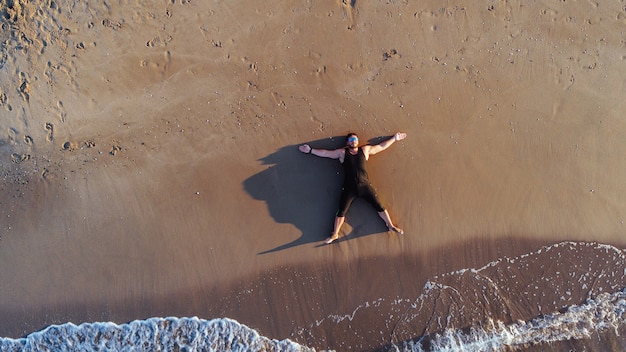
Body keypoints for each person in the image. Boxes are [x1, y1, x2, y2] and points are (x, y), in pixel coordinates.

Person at [299, 132, 407, 244]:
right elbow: (326, 153)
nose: (353, 141)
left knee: (379, 205)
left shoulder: (365, 150)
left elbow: (381, 146)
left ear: (357, 141)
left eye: (354, 139)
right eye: (350, 140)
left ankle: (390, 225)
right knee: (341, 211)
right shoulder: (342, 153)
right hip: (349, 189)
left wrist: (394, 138)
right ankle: (335, 234)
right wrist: (310, 150)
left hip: (365, 186)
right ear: (347, 143)